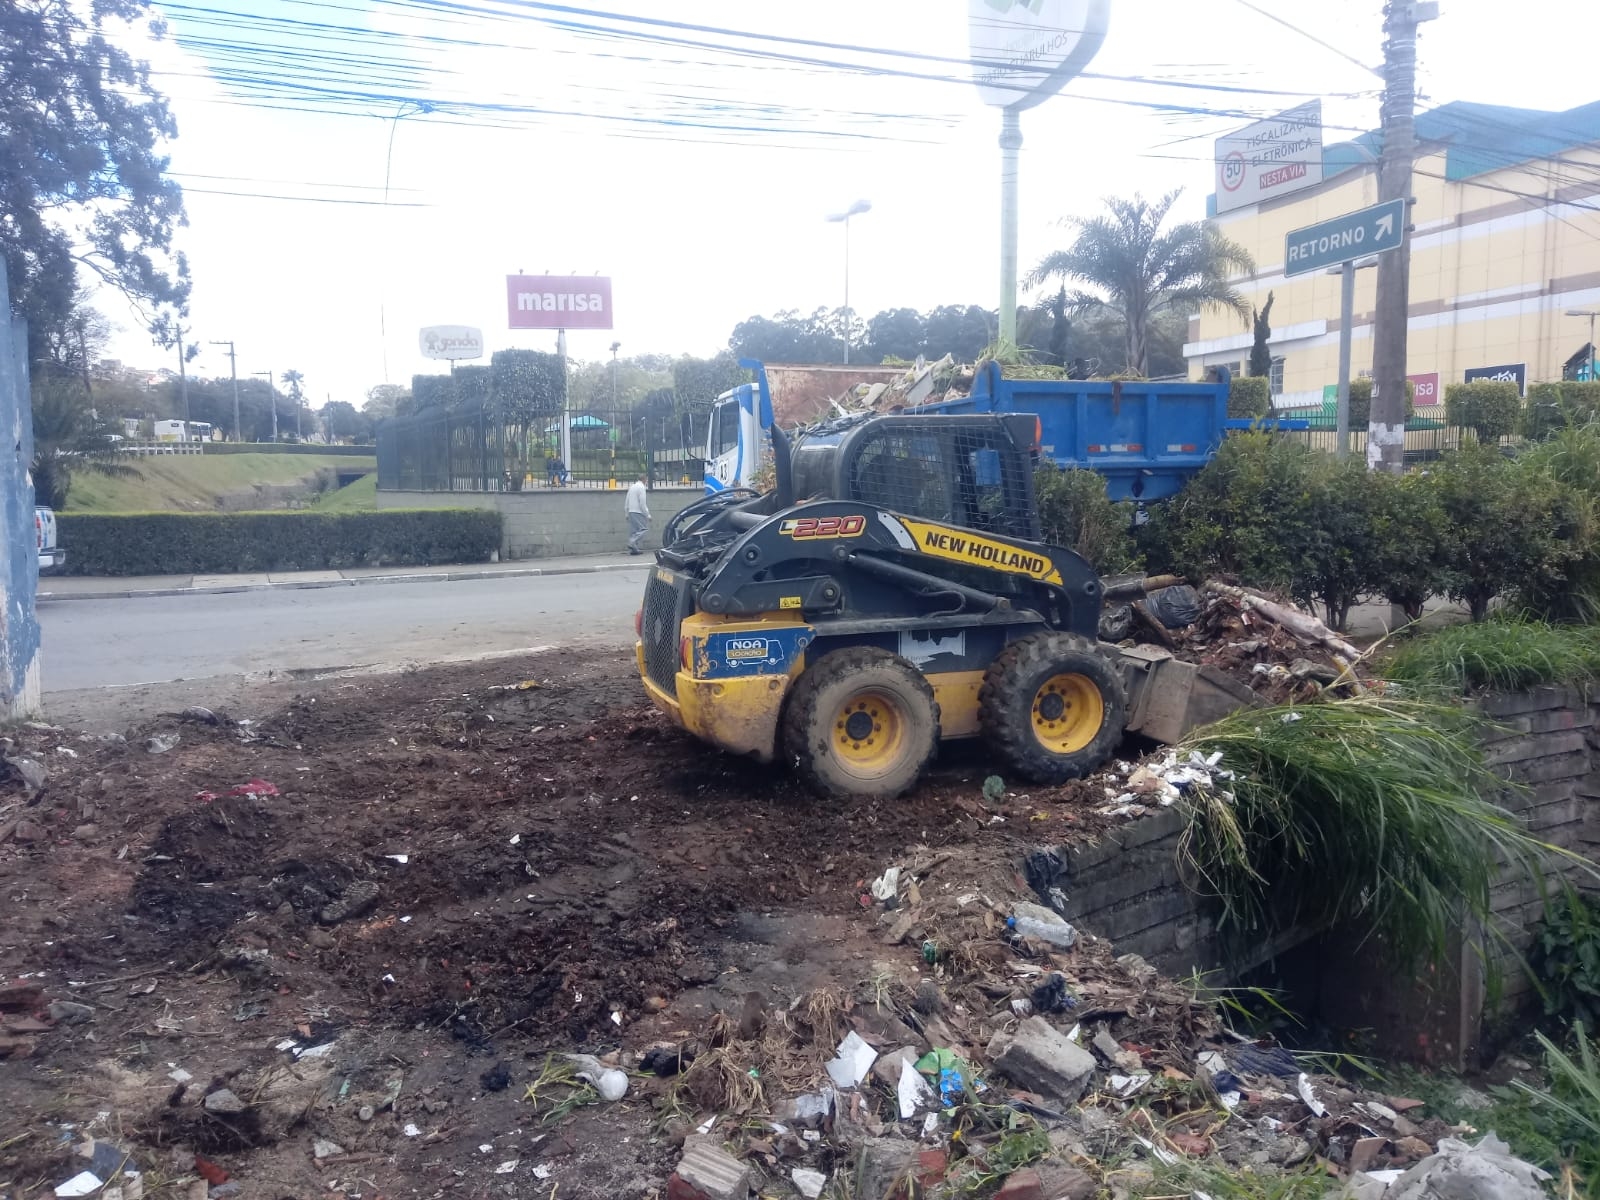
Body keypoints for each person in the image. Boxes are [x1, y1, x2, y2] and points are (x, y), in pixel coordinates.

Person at [625, 474, 650, 555]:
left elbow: (627, 500)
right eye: (647, 480)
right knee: (643, 529)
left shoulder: (632, 487)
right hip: (638, 511)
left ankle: (634, 550)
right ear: (644, 479)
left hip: (631, 511)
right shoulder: (641, 488)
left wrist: (626, 513)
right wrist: (648, 515)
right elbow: (642, 503)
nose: (647, 482)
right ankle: (632, 542)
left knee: (634, 531)